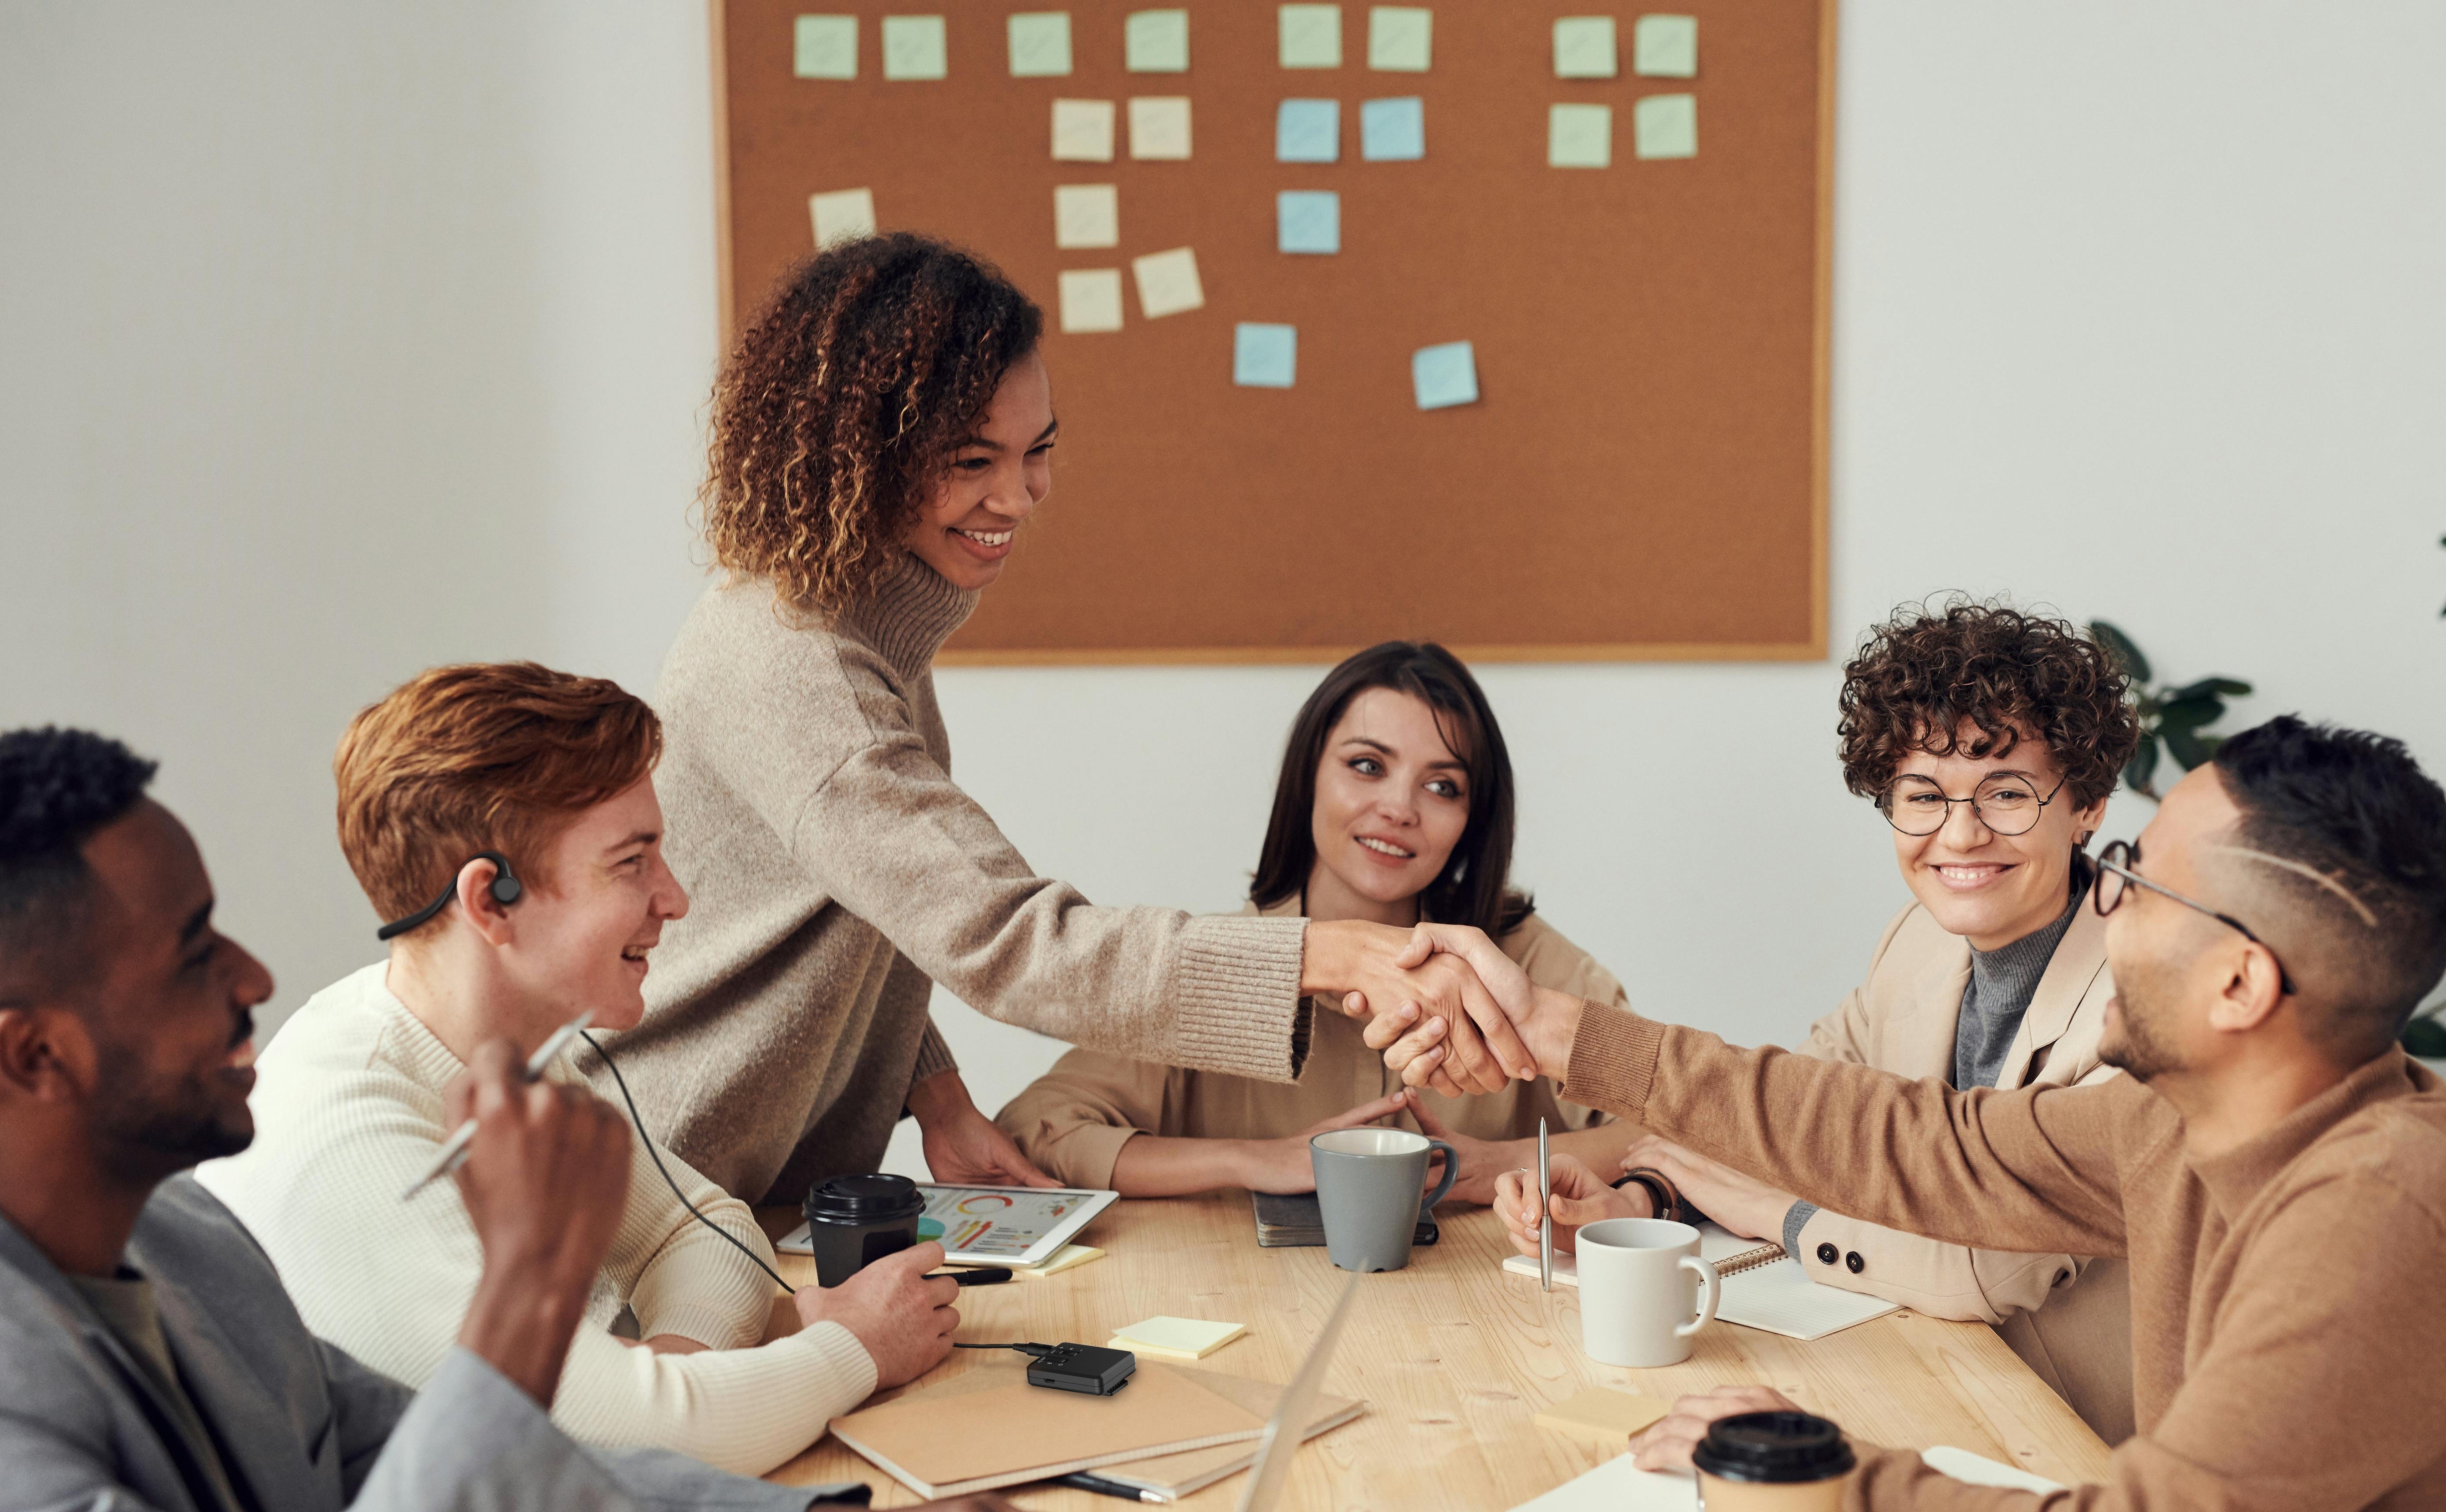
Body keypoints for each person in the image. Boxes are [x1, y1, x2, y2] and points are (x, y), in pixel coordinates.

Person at [1379, 716, 2446, 1512]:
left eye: (2132, 879)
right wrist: (1563, 1035)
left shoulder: (2385, 1215)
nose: (2099, 903)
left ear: (2241, 986)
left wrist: (1819, 1473)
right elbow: (1927, 1146)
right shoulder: (2193, 1116)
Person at [0, 727, 1108, 1512]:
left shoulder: (183, 1242)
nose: (256, 977)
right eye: (194, 955)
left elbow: (474, 1470)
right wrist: (531, 1286)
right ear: (34, 1056)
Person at [604, 233, 1536, 1209]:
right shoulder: (799, 667)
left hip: (744, 1195)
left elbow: (870, 903)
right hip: (656, 1190)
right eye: (974, 460)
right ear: (860, 457)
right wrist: (1329, 953)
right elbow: (1010, 938)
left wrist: (936, 1094)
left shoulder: (857, 636)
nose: (1019, 496)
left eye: (1038, 450)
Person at [199, 665, 953, 1476]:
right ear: (490, 901)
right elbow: (621, 1455)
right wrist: (853, 1348)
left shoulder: (500, 1046)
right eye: (632, 863)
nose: (675, 900)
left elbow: (704, 1231)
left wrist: (673, 1379)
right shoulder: (353, 1140)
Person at [1504, 602, 2142, 1439]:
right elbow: (1793, 1113)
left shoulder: (2142, 996)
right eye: (1923, 795)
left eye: (2007, 794)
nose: (1959, 834)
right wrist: (1645, 1196)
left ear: (2087, 803)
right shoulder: (1917, 941)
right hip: (1930, 1379)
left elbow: (1987, 1270)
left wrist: (1775, 1215)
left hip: (2081, 1437)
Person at [996, 642, 1640, 1200]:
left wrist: (1512, 1162)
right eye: (1367, 766)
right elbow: (1036, 1128)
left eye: (1442, 786)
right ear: (1308, 776)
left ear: (1473, 822)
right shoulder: (1215, 969)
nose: (1398, 808)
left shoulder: (1530, 967)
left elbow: (1680, 1129)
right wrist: (1254, 1159)